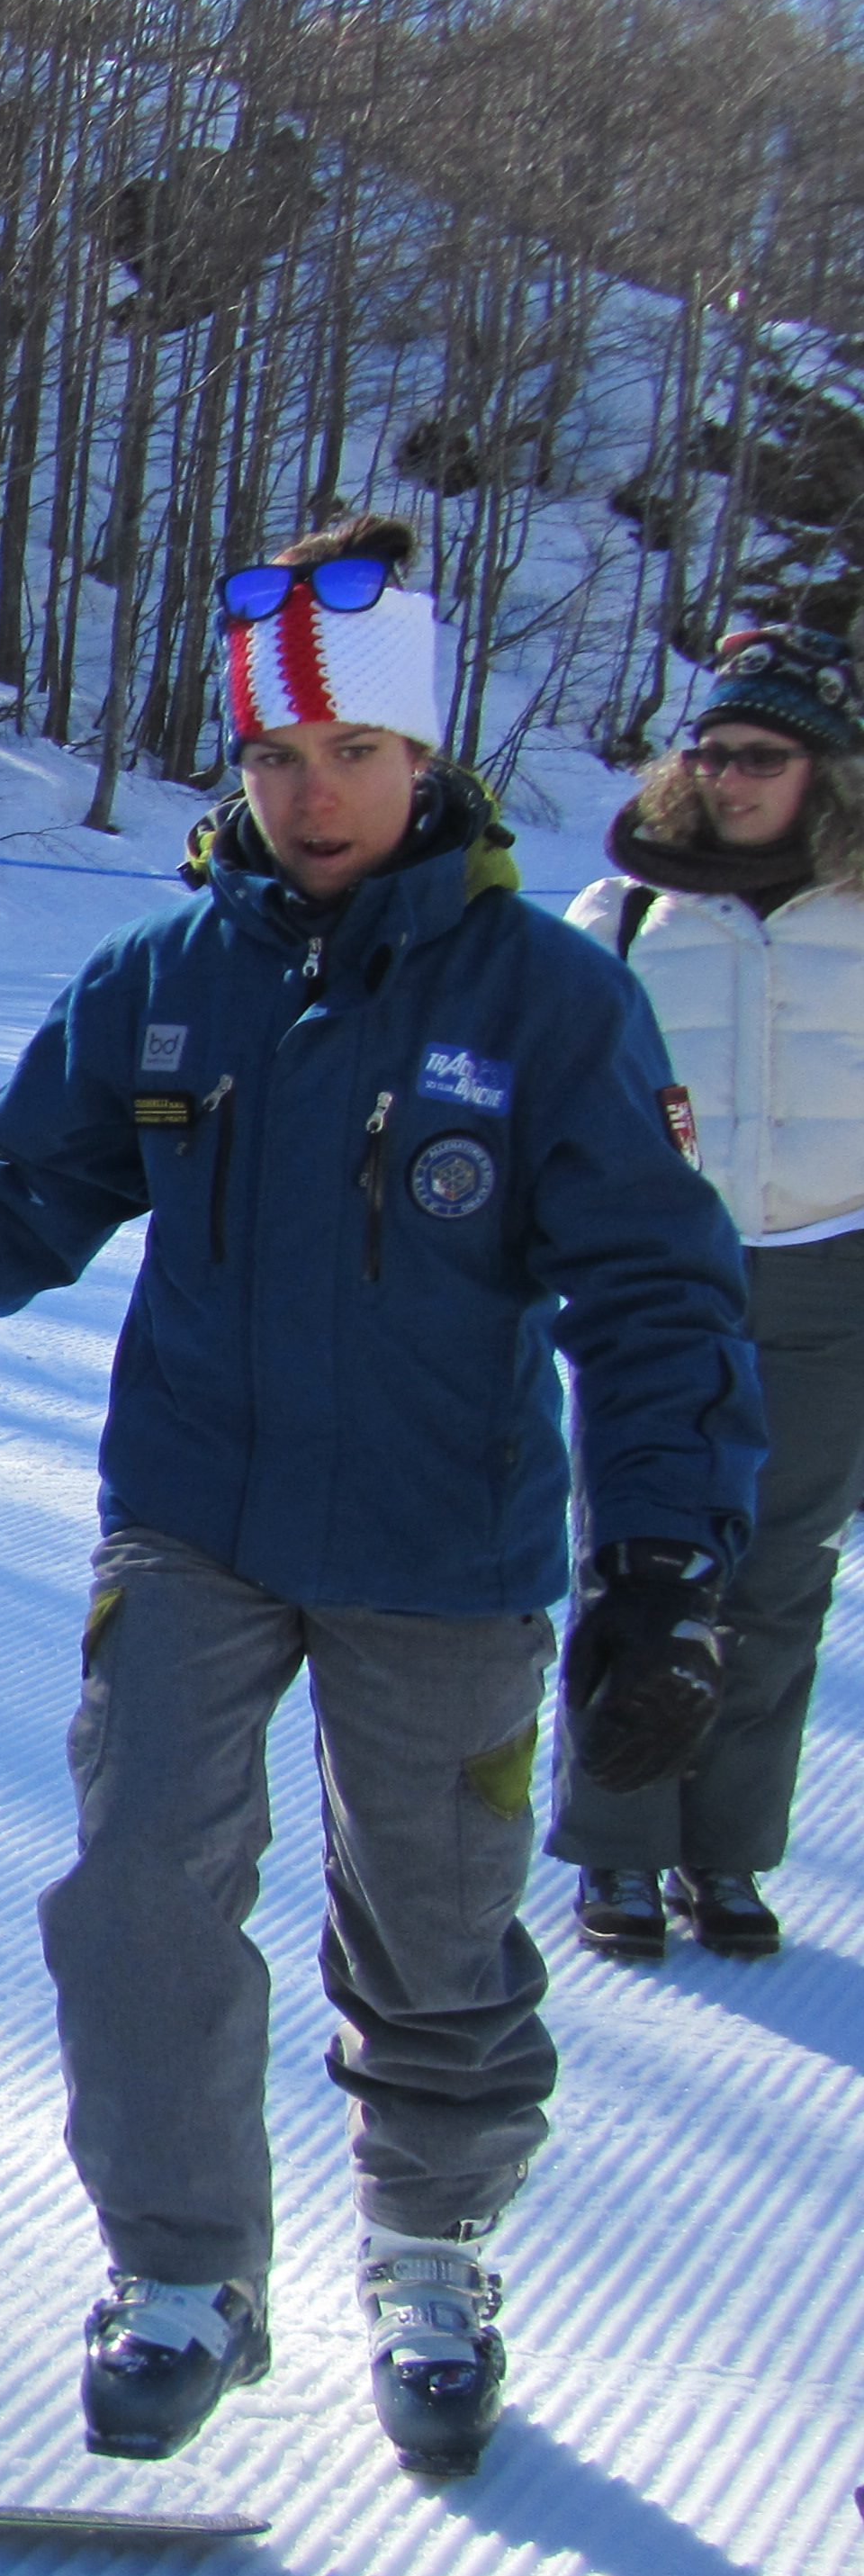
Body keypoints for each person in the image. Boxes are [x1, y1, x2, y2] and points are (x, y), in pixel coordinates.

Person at [0, 519, 761, 2481]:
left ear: (424, 754)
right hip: (194, 1518)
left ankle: (433, 2248)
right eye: (276, 758)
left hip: (446, 1539)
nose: (313, 799)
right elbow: (16, 1206)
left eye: (354, 755)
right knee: (137, 1888)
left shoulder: (549, 998)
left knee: (434, 1926)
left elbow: (657, 1293)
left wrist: (662, 1564)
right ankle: (184, 2271)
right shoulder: (167, 980)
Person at [556, 623, 864, 1959]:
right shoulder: (628, 916)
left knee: (780, 1577)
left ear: (826, 771)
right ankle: (617, 1847)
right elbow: (553, 1099)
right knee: (637, 1559)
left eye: (763, 757)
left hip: (831, 1276)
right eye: (712, 751)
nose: (728, 777)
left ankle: (726, 1852)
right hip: (659, 1284)